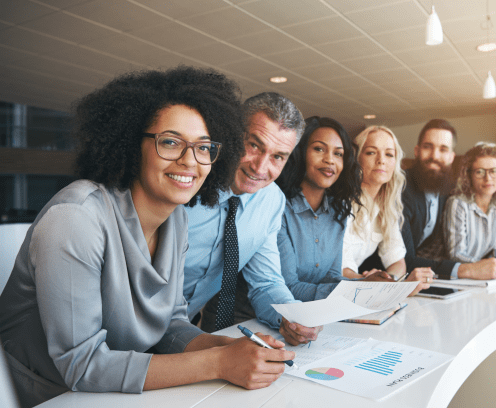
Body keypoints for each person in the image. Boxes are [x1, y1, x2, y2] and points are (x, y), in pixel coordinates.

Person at [0, 67, 294, 408]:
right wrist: (216, 362)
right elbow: (80, 366)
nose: (190, 161)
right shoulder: (76, 218)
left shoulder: (177, 220)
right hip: (50, 393)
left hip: (120, 385)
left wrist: (225, 348)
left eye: (203, 147)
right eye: (170, 142)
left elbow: (170, 324)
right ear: (130, 142)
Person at [183, 92, 322, 346]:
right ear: (233, 134)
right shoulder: (187, 181)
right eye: (254, 146)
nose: (260, 168)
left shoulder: (271, 201)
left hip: (184, 329)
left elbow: (266, 282)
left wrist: (292, 316)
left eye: (278, 156)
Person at [275, 116, 394, 301]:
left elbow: (331, 278)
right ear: (301, 153)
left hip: (315, 315)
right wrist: (358, 290)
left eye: (338, 154)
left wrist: (367, 283)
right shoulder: (279, 207)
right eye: (319, 149)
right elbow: (288, 287)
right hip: (266, 318)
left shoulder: (339, 210)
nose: (330, 159)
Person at [341, 126, 433, 292]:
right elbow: (339, 268)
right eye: (371, 152)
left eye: (389, 154)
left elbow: (397, 262)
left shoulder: (386, 206)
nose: (381, 160)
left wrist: (390, 280)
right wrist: (372, 281)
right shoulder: (342, 203)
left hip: (360, 289)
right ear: (356, 158)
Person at [402, 119, 496, 280]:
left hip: (427, 275)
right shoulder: (401, 188)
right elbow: (403, 258)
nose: (434, 156)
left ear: (452, 157)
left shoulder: (445, 190)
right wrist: (474, 269)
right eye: (427, 147)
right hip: (389, 277)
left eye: (443, 149)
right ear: (416, 151)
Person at [444, 142, 496, 263]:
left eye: (493, 171)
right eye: (479, 172)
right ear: (469, 175)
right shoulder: (457, 204)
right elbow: (456, 254)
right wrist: (485, 267)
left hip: (481, 276)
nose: (488, 178)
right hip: (447, 275)